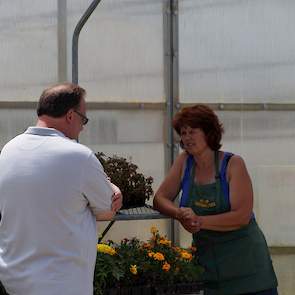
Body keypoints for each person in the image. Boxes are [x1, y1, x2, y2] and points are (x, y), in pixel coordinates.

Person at [0, 83, 122, 295]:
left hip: (14, 280)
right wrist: (111, 185)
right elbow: (107, 208)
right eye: (83, 119)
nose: (83, 127)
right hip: (62, 282)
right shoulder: (79, 156)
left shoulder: (9, 150)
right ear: (70, 115)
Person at [153, 104, 278, 295]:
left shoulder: (232, 164)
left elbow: (241, 216)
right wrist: (179, 213)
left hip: (248, 269)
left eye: (192, 131)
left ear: (209, 132)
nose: (186, 137)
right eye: (183, 132)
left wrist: (199, 221)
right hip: (210, 268)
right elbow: (160, 198)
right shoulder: (184, 163)